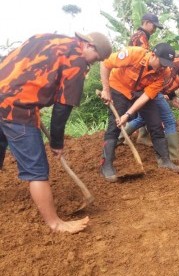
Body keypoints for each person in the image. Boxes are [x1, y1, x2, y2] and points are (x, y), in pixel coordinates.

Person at [0, 32, 112, 233]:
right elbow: (62, 108)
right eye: (96, 59)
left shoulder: (47, 37)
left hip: (5, 93)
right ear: (89, 46)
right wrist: (57, 144)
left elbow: (22, 68)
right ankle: (55, 223)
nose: (93, 64)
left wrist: (32, 100)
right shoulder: (76, 61)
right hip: (16, 109)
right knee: (37, 169)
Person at [99, 43, 179, 182]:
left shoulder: (165, 73)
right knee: (114, 126)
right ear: (153, 55)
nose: (163, 67)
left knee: (156, 123)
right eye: (161, 63)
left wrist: (128, 114)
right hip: (119, 88)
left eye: (166, 64)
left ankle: (165, 161)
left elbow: (146, 96)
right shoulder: (134, 54)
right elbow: (105, 63)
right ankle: (106, 165)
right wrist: (106, 89)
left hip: (140, 93)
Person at [122, 47, 179, 164]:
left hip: (151, 89)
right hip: (155, 90)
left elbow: (169, 76)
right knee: (169, 120)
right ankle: (175, 157)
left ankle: (119, 137)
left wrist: (173, 96)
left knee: (142, 118)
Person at [127, 13, 164, 146]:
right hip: (137, 77)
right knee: (144, 106)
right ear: (147, 23)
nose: (154, 30)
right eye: (154, 26)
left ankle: (140, 135)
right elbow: (143, 58)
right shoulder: (140, 37)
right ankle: (125, 136)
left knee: (141, 107)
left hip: (136, 77)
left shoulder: (141, 35)